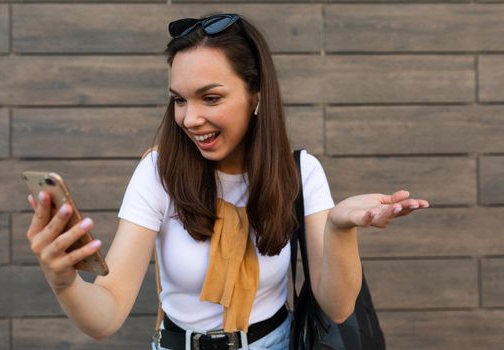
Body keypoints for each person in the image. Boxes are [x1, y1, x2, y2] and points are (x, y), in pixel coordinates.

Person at [25, 13, 429, 350]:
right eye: (179, 100)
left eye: (211, 98)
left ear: (255, 95)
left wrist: (340, 228)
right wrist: (64, 281)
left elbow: (338, 307)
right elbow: (107, 314)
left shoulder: (300, 173)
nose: (190, 118)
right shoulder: (158, 172)